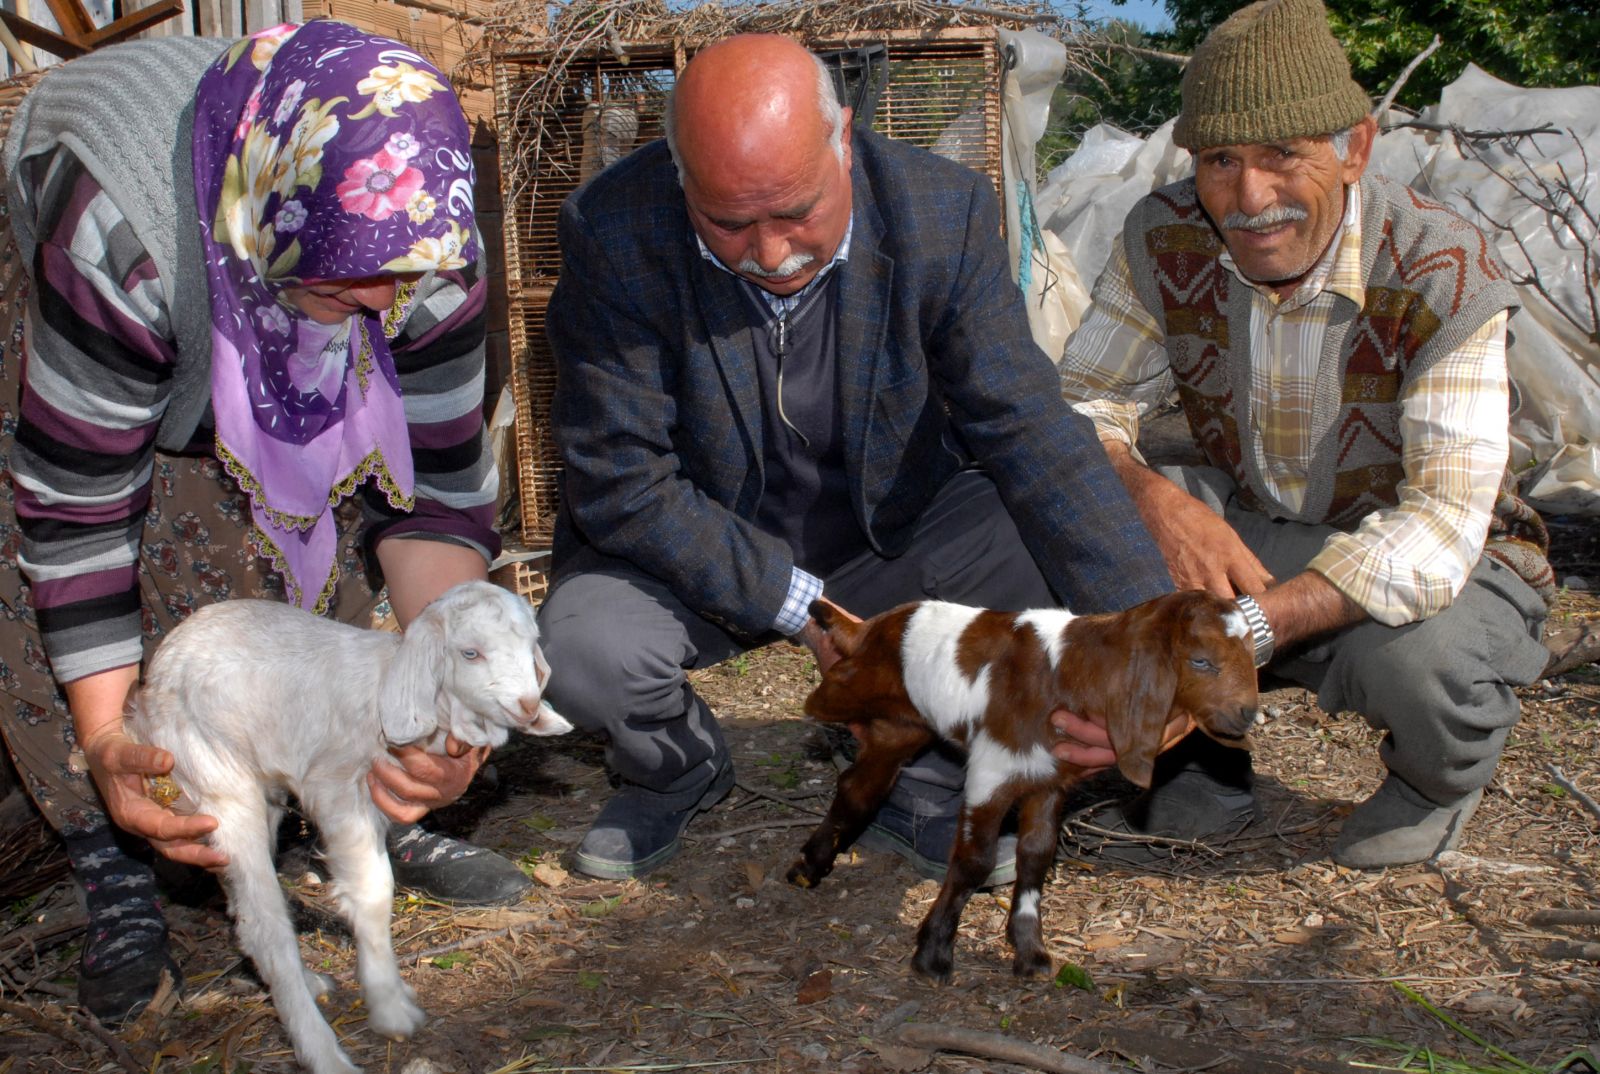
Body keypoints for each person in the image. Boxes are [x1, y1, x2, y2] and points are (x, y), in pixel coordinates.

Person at [536, 33, 1180, 884]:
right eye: (728, 224)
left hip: (886, 541)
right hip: (691, 551)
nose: (772, 254)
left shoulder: (940, 211)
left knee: (1037, 539)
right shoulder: (614, 229)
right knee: (584, 649)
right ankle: (674, 767)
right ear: (679, 177)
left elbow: (1028, 427)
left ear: (843, 138)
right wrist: (801, 608)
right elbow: (622, 481)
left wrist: (1147, 645)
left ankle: (918, 774)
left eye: (796, 212)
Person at [0, 21, 530, 1023]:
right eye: (344, 281)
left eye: (402, 278)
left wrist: (446, 704)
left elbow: (437, 493)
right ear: (263, 226)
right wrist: (108, 734)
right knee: (44, 510)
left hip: (253, 271)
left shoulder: (429, 254)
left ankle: (356, 793)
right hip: (118, 262)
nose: (382, 302)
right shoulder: (119, 236)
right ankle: (113, 851)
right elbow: (76, 510)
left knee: (296, 532)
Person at [1056, 0, 1555, 870]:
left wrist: (1242, 630)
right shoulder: (1163, 235)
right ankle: (1200, 764)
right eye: (1221, 161)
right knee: (1088, 525)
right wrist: (1155, 503)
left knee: (1433, 659)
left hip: (1441, 553)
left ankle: (1435, 782)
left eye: (1283, 154)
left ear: (1354, 148)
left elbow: (1439, 526)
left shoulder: (1442, 268)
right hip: (1259, 526)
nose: (1250, 199)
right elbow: (1080, 404)